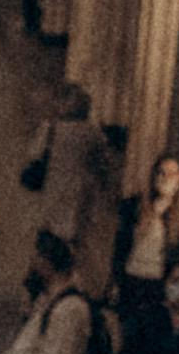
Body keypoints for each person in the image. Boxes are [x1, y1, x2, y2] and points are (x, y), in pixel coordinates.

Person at [27, 81, 114, 293]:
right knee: (76, 257)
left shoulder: (50, 128)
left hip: (52, 203)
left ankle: (39, 295)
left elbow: (33, 155)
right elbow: (105, 166)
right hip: (81, 203)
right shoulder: (92, 133)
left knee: (47, 255)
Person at [110, 152, 179, 314]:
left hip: (157, 285)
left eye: (171, 174)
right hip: (131, 279)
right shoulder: (134, 207)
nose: (165, 178)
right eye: (161, 172)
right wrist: (115, 280)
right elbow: (120, 246)